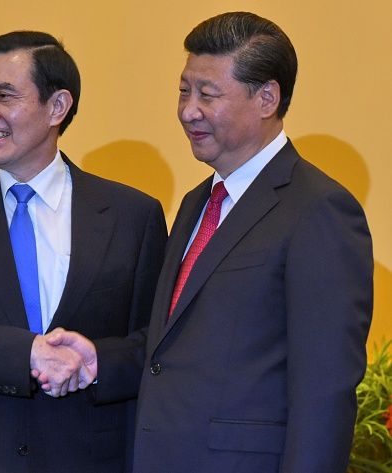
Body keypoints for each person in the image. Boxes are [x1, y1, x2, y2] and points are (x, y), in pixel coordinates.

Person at [37, 12, 373, 473]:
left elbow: (324, 392)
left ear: (266, 98)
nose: (187, 110)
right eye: (183, 90)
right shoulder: (199, 201)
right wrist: (100, 360)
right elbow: (174, 351)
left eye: (207, 94)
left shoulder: (318, 210)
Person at [0, 31, 166, 473]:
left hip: (91, 457)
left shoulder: (133, 215)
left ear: (58, 106)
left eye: (5, 95)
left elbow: (155, 344)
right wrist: (29, 354)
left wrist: (94, 362)